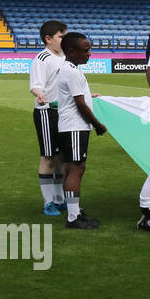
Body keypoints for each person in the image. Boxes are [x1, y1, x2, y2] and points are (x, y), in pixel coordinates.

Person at [55, 32, 107, 229]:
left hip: (69, 126)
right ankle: (73, 217)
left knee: (70, 169)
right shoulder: (72, 72)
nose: (90, 54)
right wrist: (97, 125)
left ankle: (74, 212)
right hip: (75, 126)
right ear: (70, 51)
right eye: (86, 50)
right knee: (77, 169)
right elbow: (80, 105)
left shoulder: (70, 69)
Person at [30, 20, 67, 216]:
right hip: (46, 113)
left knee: (61, 157)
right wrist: (39, 94)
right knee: (48, 156)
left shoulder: (65, 58)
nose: (64, 39)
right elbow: (36, 85)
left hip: (64, 113)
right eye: (61, 36)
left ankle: (60, 200)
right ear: (48, 38)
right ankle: (48, 202)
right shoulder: (42, 59)